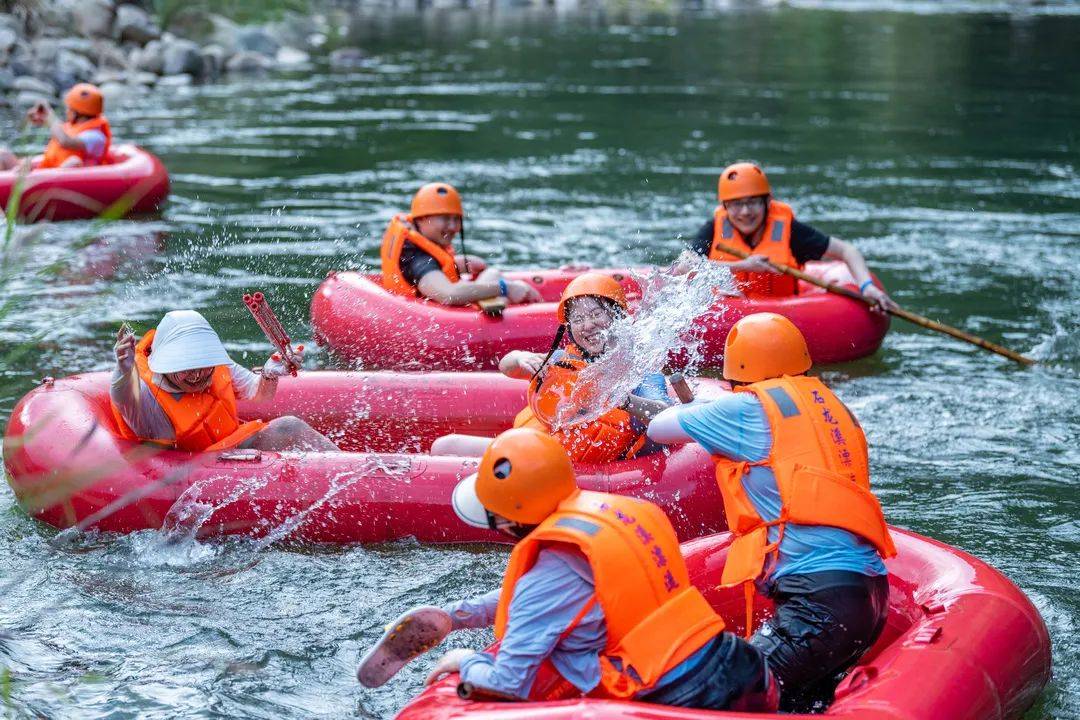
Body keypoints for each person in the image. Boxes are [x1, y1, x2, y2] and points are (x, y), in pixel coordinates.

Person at [358, 428, 777, 711]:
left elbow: (508, 682)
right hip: (739, 663)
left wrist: (464, 661)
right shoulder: (621, 512)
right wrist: (461, 615)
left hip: (688, 699)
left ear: (507, 521)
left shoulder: (550, 571)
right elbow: (564, 592)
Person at [647, 312, 895, 712]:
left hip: (819, 606)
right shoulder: (829, 406)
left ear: (737, 375)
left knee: (721, 697)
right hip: (870, 598)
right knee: (795, 704)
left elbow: (658, 427)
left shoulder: (744, 410)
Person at [430, 272, 670, 462]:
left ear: (618, 316)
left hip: (566, 466)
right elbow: (507, 367)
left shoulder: (639, 373)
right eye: (577, 319)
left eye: (597, 314)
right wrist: (520, 358)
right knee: (446, 446)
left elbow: (666, 418)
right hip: (536, 453)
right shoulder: (562, 362)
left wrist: (621, 399)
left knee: (445, 447)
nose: (587, 325)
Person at [110, 310, 339, 453]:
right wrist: (124, 368)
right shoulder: (145, 396)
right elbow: (123, 394)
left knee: (290, 427)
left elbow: (259, 394)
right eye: (187, 370)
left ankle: (350, 469)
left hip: (228, 450)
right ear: (166, 365)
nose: (198, 376)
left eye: (203, 367)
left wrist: (269, 374)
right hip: (188, 471)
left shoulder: (216, 363)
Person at [684, 162, 897, 312]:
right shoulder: (714, 228)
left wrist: (866, 286)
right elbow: (685, 266)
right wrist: (745, 265)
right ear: (725, 207)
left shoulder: (790, 231)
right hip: (729, 315)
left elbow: (847, 251)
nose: (745, 212)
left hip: (783, 316)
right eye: (737, 204)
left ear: (767, 202)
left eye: (753, 202)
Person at [380, 182, 543, 305]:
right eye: (445, 219)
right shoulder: (418, 259)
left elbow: (427, 274)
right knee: (494, 276)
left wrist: (456, 265)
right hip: (435, 321)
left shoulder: (417, 243)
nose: (453, 227)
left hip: (418, 305)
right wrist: (504, 288)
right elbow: (448, 294)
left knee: (493, 273)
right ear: (422, 219)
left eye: (456, 219)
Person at [0, 83, 112, 172]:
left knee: (74, 161)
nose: (67, 111)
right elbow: (54, 129)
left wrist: (50, 115)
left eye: (69, 108)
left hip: (66, 179)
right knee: (3, 154)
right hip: (46, 171)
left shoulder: (96, 137)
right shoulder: (71, 127)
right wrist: (39, 117)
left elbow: (65, 141)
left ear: (78, 113)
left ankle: (16, 176)